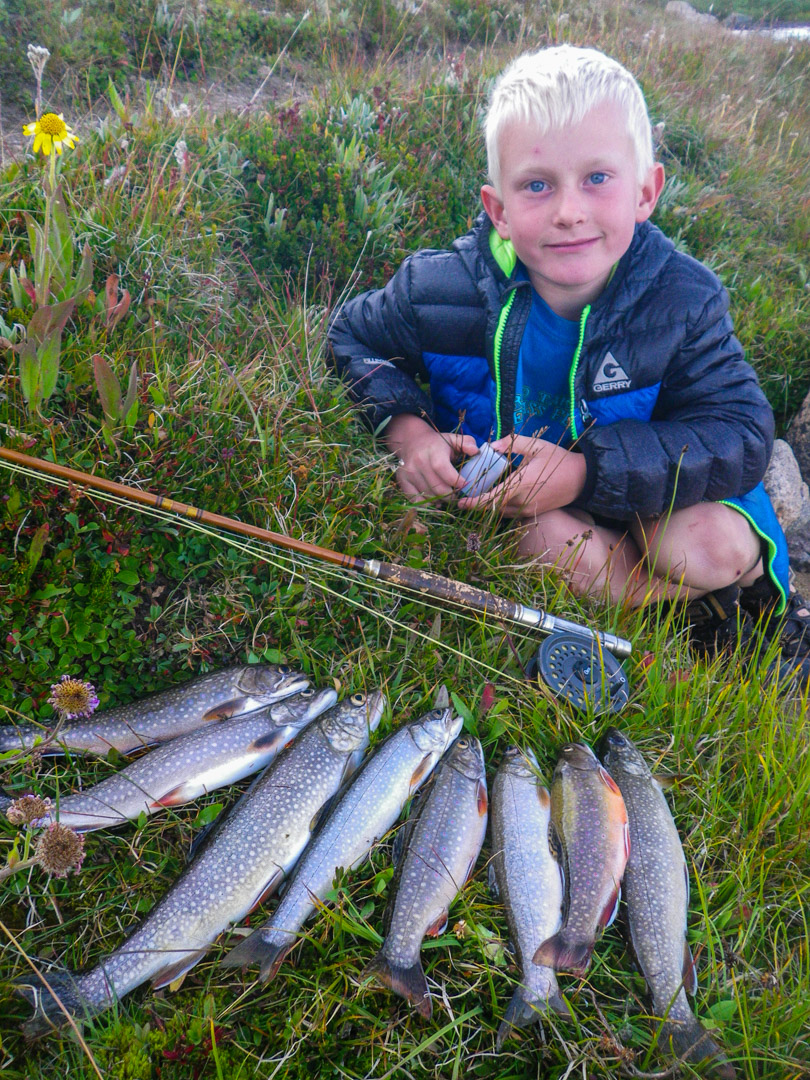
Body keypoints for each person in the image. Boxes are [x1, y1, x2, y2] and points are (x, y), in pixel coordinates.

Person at [327, 44, 810, 673]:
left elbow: (742, 433)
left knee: (701, 548)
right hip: (537, 513)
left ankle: (740, 600)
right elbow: (349, 338)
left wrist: (586, 474)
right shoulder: (435, 289)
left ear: (646, 191)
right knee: (538, 540)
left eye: (597, 178)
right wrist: (409, 433)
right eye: (536, 185)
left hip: (660, 506)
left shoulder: (684, 300)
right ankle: (673, 606)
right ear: (497, 210)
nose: (569, 211)